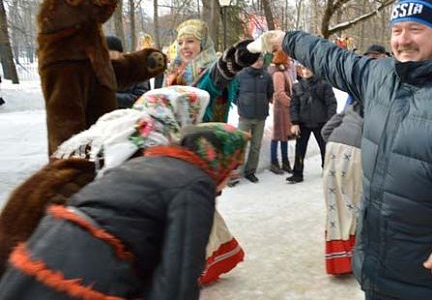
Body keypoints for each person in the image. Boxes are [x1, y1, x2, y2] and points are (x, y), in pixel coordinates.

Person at [249, 0, 432, 299]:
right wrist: (288, 39)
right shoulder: (381, 76)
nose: (403, 40)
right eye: (397, 30)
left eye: (415, 29)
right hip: (378, 264)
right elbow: (332, 58)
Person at [0, 122, 248, 300]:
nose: (229, 179)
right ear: (221, 162)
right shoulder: (196, 182)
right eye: (233, 168)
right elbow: (180, 273)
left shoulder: (144, 162)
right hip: (86, 270)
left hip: (43, 247)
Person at [164, 19, 260, 122]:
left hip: (204, 132)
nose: (184, 47)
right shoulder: (173, 70)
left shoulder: (210, 67)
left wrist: (237, 58)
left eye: (190, 41)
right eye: (180, 43)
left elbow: (217, 74)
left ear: (203, 43)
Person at [321, 101, 364, 274]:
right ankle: (351, 258)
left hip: (333, 146)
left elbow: (325, 131)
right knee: (353, 204)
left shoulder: (351, 107)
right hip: (357, 151)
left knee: (334, 206)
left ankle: (337, 260)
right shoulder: (381, 109)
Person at [287, 65, 337, 184]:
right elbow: (294, 105)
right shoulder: (297, 86)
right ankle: (297, 173)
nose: (306, 71)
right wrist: (295, 122)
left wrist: (330, 121)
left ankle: (328, 170)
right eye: (303, 68)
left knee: (325, 148)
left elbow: (331, 104)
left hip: (321, 122)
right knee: (300, 149)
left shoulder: (324, 84)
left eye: (308, 68)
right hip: (303, 123)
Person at [233, 54, 274, 183]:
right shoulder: (240, 75)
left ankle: (250, 171)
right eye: (255, 60)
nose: (258, 62)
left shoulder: (266, 76)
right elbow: (234, 94)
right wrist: (242, 104)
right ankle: (235, 173)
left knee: (256, 146)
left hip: (260, 116)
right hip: (245, 116)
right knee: (240, 146)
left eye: (260, 59)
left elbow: (269, 93)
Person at [106, 35, 150, 108]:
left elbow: (140, 98)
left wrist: (110, 97)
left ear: (120, 54)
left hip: (129, 116)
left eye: (110, 54)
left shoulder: (137, 71)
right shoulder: (99, 72)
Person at [269, 50, 294, 174]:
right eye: (288, 58)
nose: (289, 60)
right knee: (278, 134)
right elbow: (279, 93)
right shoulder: (278, 73)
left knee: (285, 134)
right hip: (280, 108)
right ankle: (274, 161)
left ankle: (285, 161)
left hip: (285, 108)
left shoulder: (284, 71)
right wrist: (291, 102)